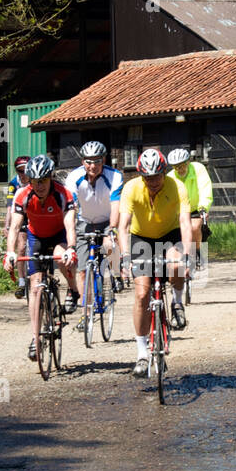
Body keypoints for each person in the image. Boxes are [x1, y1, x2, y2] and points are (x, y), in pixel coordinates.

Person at [118, 148, 194, 376]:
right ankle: (142, 353)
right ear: (141, 176)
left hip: (169, 234)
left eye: (157, 176)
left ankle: (177, 302)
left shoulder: (176, 187)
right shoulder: (131, 188)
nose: (153, 181)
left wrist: (187, 255)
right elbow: (122, 226)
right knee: (142, 295)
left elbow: (185, 222)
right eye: (148, 177)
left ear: (164, 172)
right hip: (141, 238)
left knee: (176, 265)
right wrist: (124, 258)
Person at [4, 153, 78, 360]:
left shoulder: (64, 194)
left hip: (59, 236)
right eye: (35, 181)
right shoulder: (22, 194)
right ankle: (35, 338)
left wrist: (71, 248)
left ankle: (73, 291)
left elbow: (70, 225)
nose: (40, 186)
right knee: (35, 285)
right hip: (35, 236)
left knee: (59, 256)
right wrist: (10, 252)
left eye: (44, 180)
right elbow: (15, 227)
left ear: (50, 178)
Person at [64, 140, 124, 328]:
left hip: (107, 220)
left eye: (97, 161)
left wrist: (111, 230)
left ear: (103, 160)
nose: (93, 166)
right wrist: (71, 236)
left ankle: (115, 273)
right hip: (85, 222)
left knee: (108, 244)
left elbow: (116, 207)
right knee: (82, 271)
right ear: (83, 161)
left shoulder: (114, 176)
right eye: (88, 161)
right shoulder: (74, 177)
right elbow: (71, 209)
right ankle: (86, 314)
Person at [166, 148, 214, 284]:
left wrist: (203, 207)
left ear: (188, 162)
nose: (180, 169)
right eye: (176, 167)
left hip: (195, 207)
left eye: (182, 165)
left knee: (194, 227)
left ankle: (198, 251)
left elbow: (205, 188)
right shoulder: (170, 177)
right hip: (180, 209)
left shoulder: (198, 168)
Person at [4, 156, 29, 298]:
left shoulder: (36, 180)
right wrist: (7, 226)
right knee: (21, 247)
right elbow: (9, 207)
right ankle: (21, 282)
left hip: (35, 214)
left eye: (25, 170)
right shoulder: (13, 184)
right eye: (20, 171)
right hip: (19, 214)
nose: (23, 174)